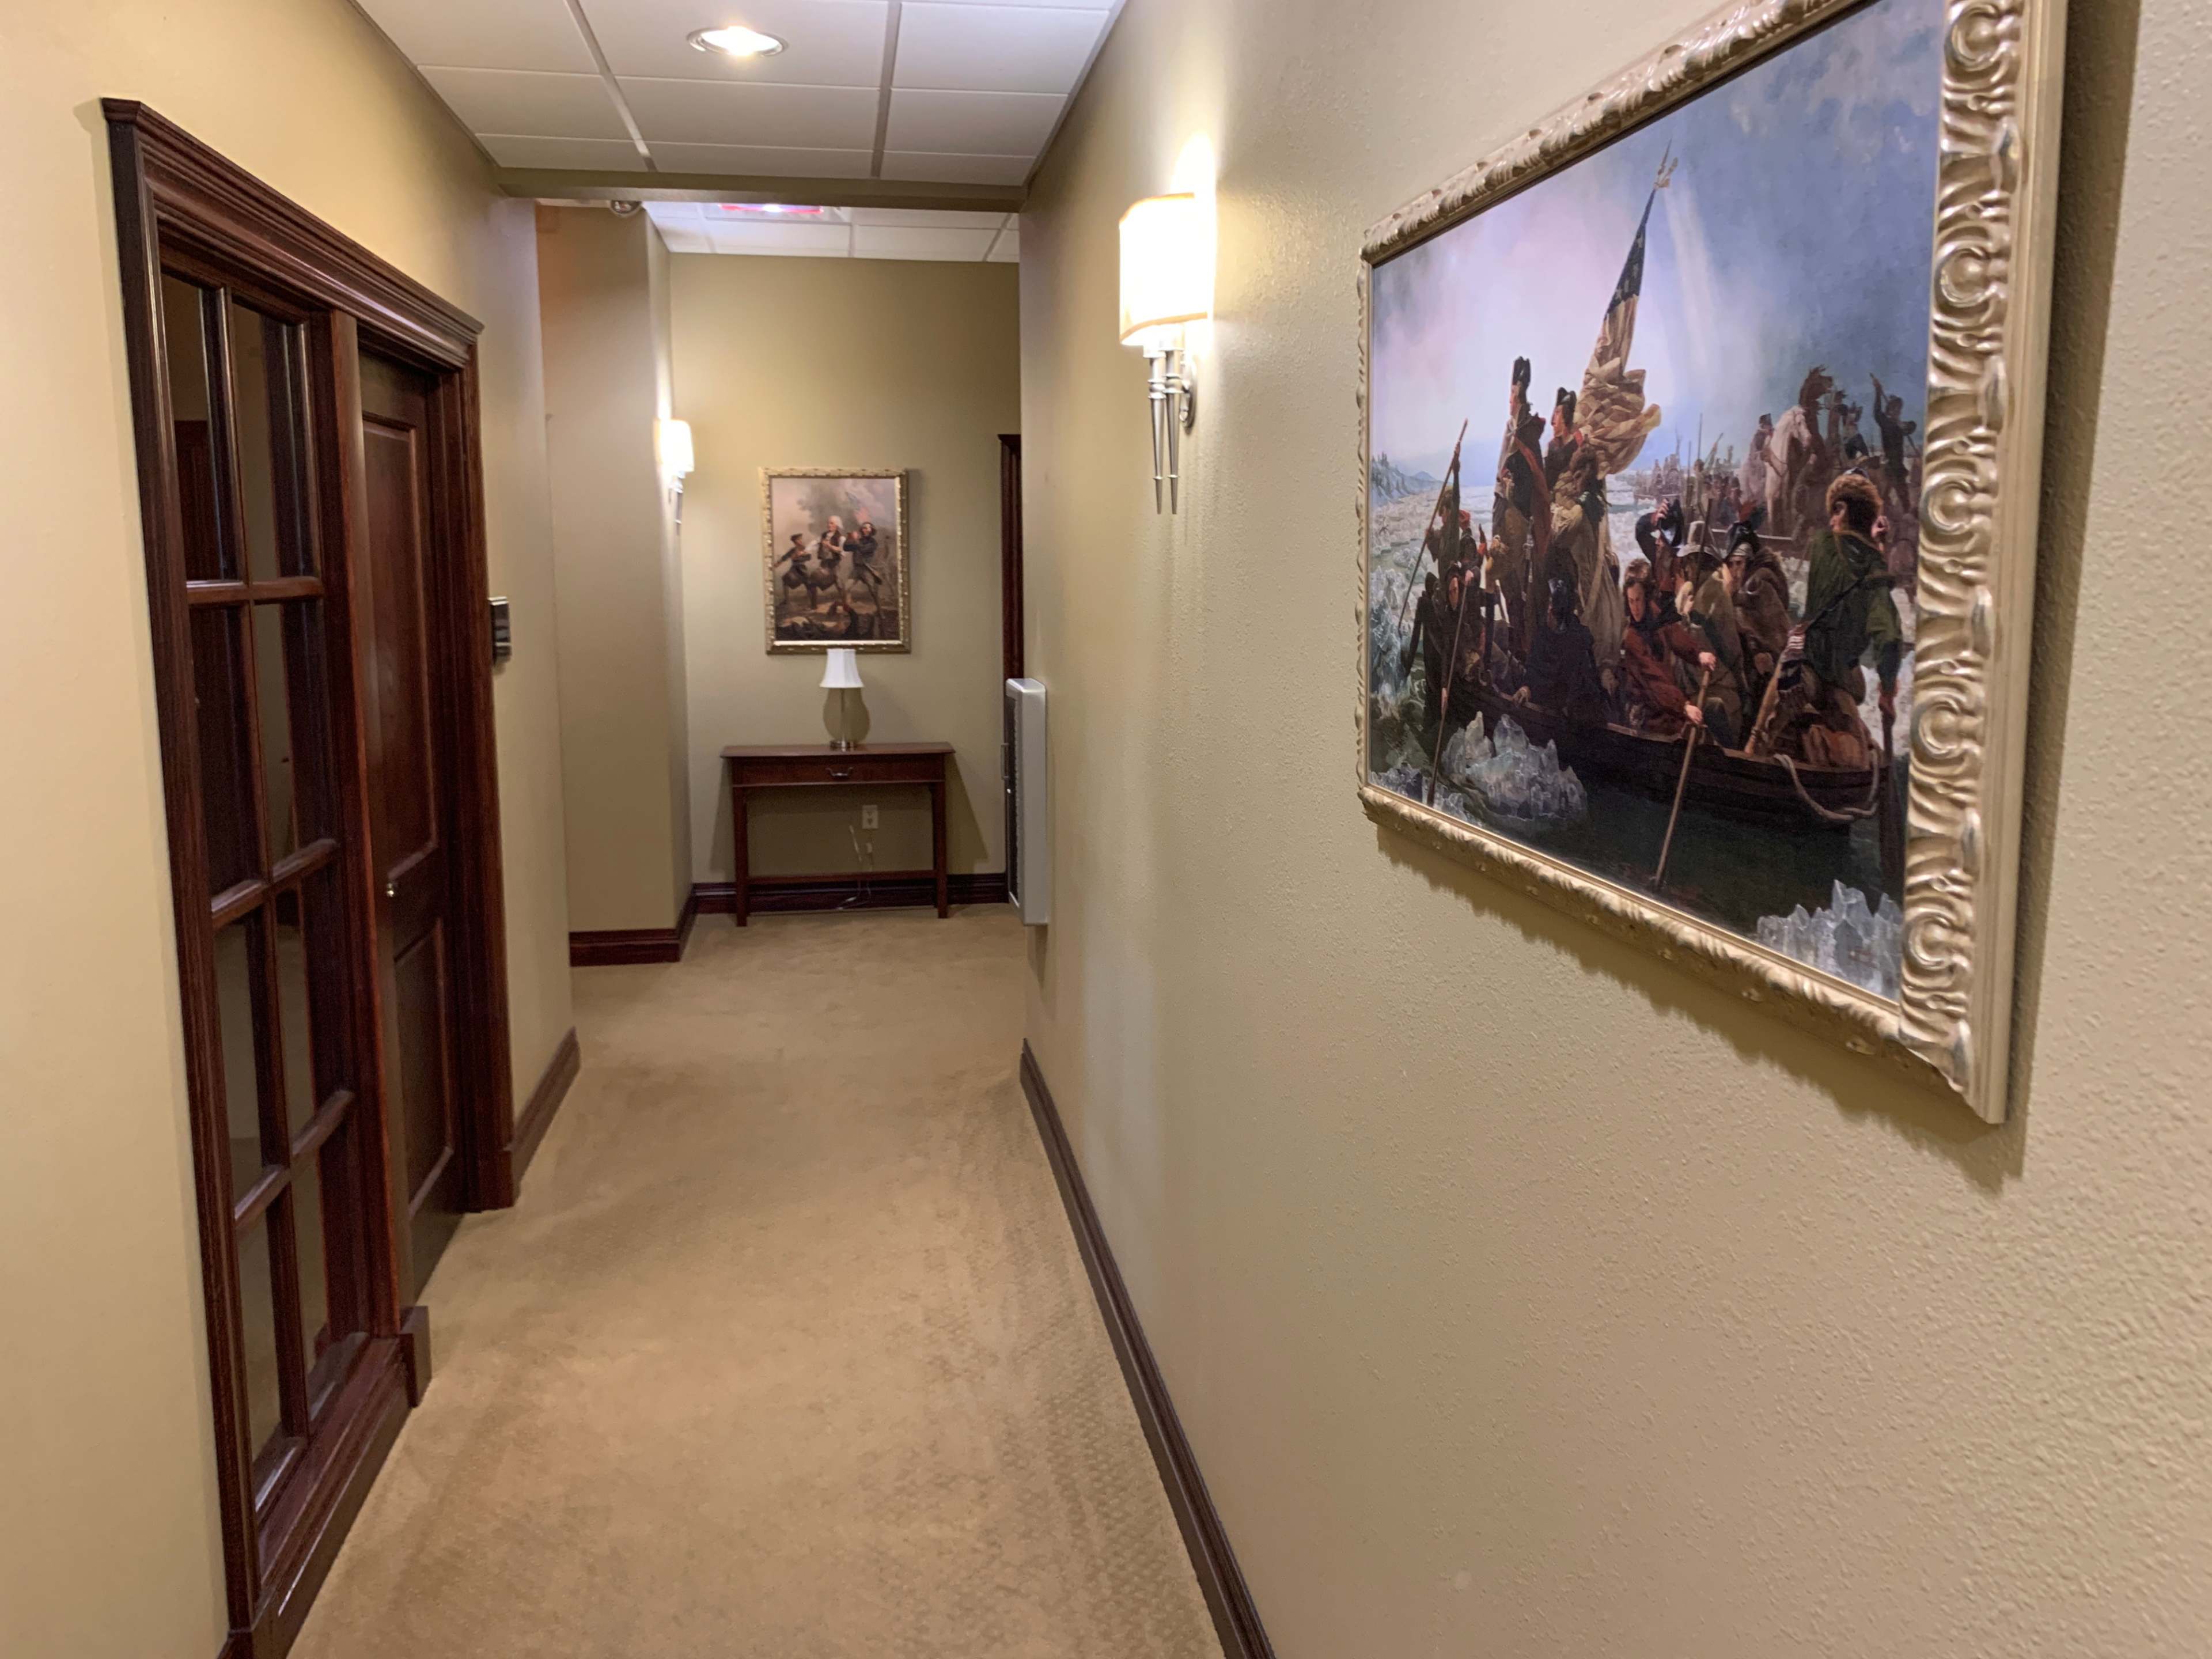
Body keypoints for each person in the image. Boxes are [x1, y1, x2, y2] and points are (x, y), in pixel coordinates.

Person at [1750, 472, 1902, 766]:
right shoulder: (1876, 571)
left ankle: (1753, 752)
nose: (1831, 521)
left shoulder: (1823, 545)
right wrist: (1886, 689)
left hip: (1803, 669)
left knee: (1761, 736)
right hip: (1840, 681)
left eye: (1835, 511)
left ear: (1843, 510)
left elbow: (1843, 551)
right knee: (1861, 751)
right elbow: (1890, 637)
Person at [1620, 574, 1718, 740]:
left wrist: (1699, 655)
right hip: (1648, 712)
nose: (1635, 608)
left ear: (1647, 599)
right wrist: (1684, 707)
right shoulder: (1632, 639)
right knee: (1686, 732)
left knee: (1715, 709)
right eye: (1631, 601)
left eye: (1638, 600)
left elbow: (1676, 635)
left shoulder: (1656, 617)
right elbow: (1654, 682)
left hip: (1667, 703)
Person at [1516, 577, 1606, 725]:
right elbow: (1533, 671)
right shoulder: (1543, 635)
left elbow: (1574, 686)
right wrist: (1526, 689)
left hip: (1574, 718)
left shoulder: (1578, 640)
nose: (1549, 611)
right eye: (1550, 605)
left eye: (1553, 607)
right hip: (1545, 709)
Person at [1723, 519, 1792, 699]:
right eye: (1732, 564)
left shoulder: (1758, 585)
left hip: (1770, 665)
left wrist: (1760, 652)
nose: (1736, 571)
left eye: (1739, 563)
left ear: (1749, 562)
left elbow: (1773, 633)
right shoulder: (1748, 585)